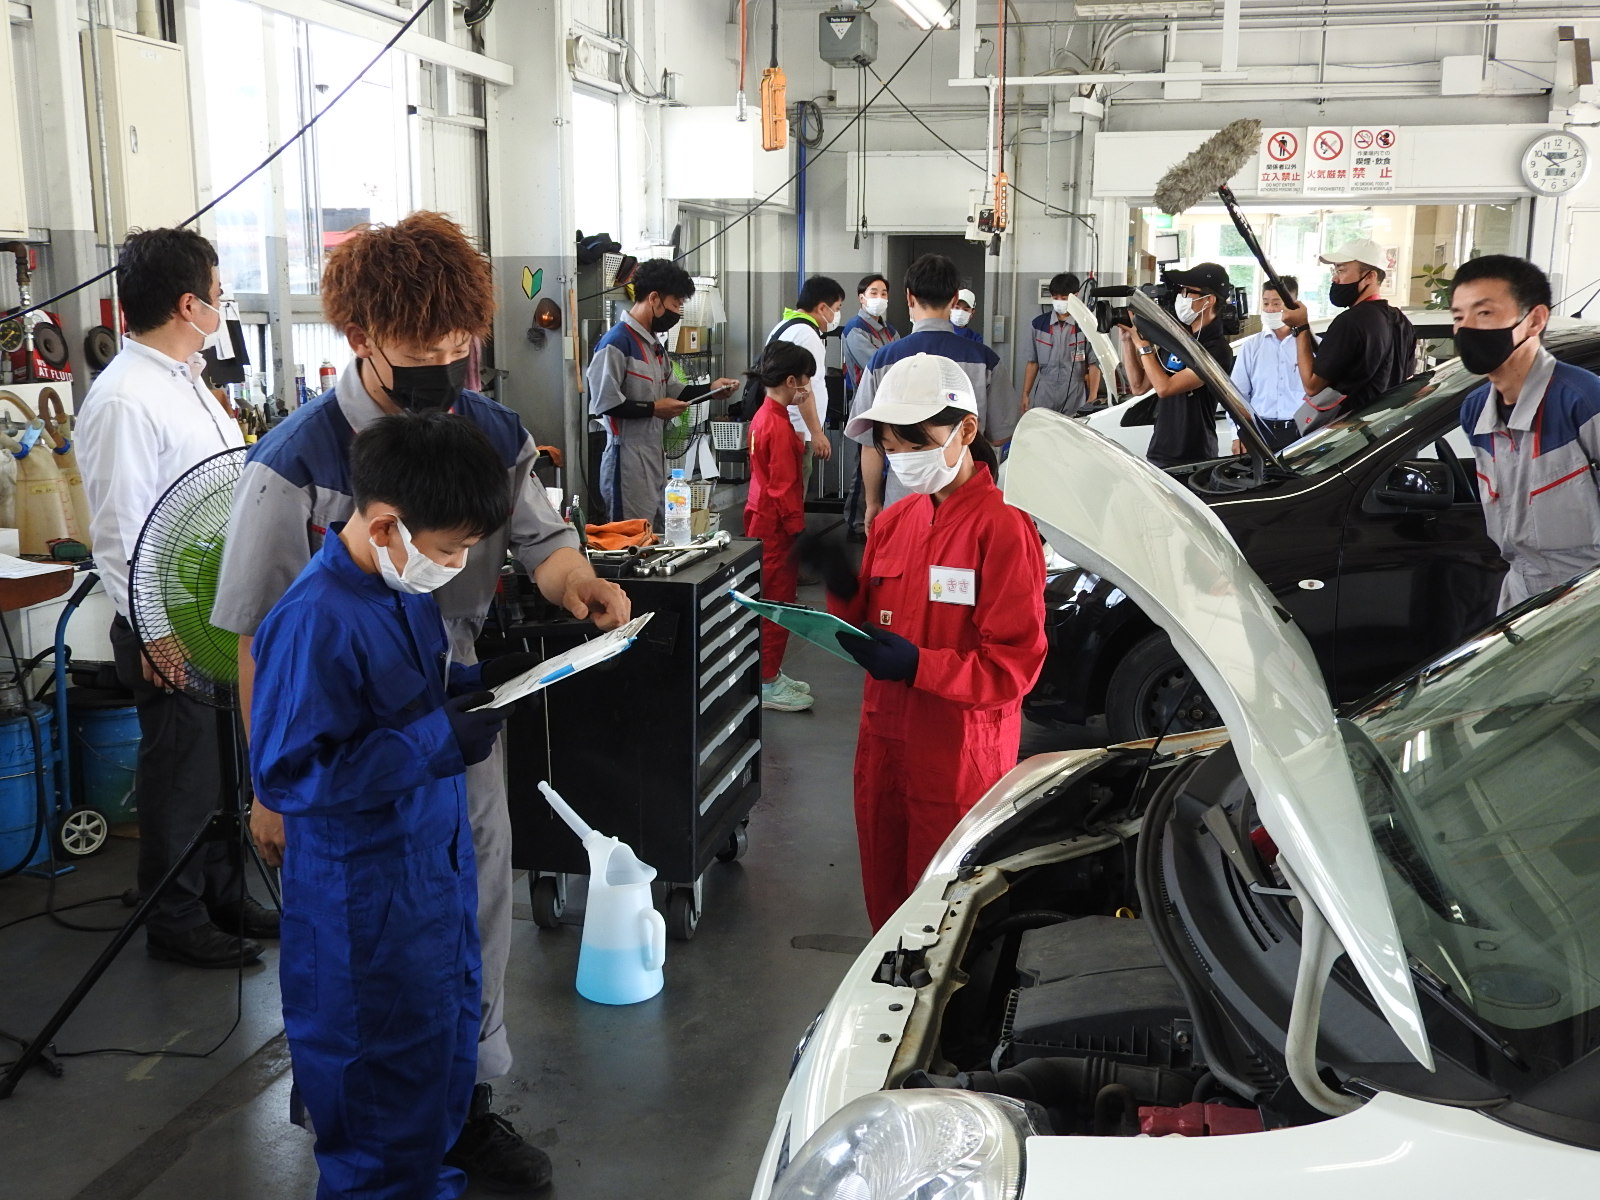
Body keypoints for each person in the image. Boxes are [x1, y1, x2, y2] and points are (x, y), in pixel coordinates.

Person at [212, 211, 628, 1194]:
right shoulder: (294, 464)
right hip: (346, 744)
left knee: (470, 910)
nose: (446, 370)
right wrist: (270, 792)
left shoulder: (490, 431)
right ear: (360, 338)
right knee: (368, 954)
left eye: (458, 349)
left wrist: (579, 584)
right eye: (421, 352)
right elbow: (258, 637)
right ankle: (369, 1120)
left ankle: (459, 1107)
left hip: (459, 721)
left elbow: (540, 540)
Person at [251, 413, 526, 1200]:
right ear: (384, 527)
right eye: (450, 549)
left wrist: (477, 684)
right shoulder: (314, 620)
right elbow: (291, 775)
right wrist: (437, 740)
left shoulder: (399, 592)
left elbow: (398, 701)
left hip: (430, 888)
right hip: (364, 915)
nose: (456, 564)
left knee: (433, 1098)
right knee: (378, 1121)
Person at [76, 227, 271, 970]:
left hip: (212, 609)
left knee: (223, 768)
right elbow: (119, 531)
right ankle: (175, 916)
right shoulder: (126, 398)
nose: (223, 305)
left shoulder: (185, 380)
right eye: (218, 295)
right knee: (182, 774)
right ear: (190, 305)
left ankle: (223, 895)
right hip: (167, 619)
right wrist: (154, 632)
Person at [808, 354, 1044, 928]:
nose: (903, 459)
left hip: (958, 757)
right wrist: (840, 585)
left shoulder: (1004, 528)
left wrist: (920, 665)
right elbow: (864, 625)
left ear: (966, 430)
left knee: (945, 917)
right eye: (891, 447)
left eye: (917, 444)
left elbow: (1013, 667)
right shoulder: (895, 521)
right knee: (886, 896)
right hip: (884, 747)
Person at [1453, 255, 1600, 613]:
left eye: (1484, 313)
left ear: (1534, 320)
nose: (1466, 329)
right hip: (1521, 591)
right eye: (1458, 317)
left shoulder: (1584, 400)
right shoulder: (1475, 410)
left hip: (1587, 597)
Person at [848, 254, 1019, 533]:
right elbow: (1001, 434)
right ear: (954, 299)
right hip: (967, 503)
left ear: (909, 297)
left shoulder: (883, 360)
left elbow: (870, 444)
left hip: (902, 502)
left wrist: (873, 503)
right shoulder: (985, 360)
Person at [586, 258, 739, 525]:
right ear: (654, 298)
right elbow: (605, 403)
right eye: (676, 304)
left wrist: (711, 390)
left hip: (655, 454)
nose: (678, 312)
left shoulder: (654, 346)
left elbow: (676, 391)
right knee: (631, 534)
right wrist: (654, 409)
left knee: (657, 532)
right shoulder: (616, 343)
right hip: (626, 458)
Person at [744, 341, 818, 713]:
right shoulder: (776, 424)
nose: (807, 388)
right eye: (806, 379)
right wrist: (797, 529)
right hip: (776, 527)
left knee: (769, 599)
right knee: (778, 604)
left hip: (762, 518)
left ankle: (769, 670)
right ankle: (768, 680)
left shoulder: (764, 416)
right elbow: (785, 486)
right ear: (791, 381)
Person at [1280, 237, 1416, 422]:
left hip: (1351, 431)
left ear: (1370, 277)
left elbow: (1312, 386)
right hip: (1387, 427)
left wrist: (1301, 327)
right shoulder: (1402, 322)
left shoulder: (1350, 322)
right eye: (1334, 270)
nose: (1334, 278)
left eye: (1341, 270)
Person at [1119, 262, 1236, 469]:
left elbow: (1165, 388)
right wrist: (1128, 341)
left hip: (1194, 456)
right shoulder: (1178, 339)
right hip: (1160, 451)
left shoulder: (1216, 349)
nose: (1181, 297)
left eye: (1187, 292)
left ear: (1209, 300)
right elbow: (1139, 387)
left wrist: (1143, 345)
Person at [767, 275, 842, 497]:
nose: (837, 315)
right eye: (837, 308)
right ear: (822, 308)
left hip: (783, 425)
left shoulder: (785, 326)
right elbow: (804, 389)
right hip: (797, 429)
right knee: (793, 493)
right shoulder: (807, 335)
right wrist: (816, 433)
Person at [841, 274, 899, 539]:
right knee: (864, 467)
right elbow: (878, 366)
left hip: (890, 405)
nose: (879, 298)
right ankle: (855, 523)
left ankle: (880, 518)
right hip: (867, 403)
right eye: (874, 292)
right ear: (861, 298)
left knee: (886, 464)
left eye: (884, 293)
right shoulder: (855, 329)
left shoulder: (891, 331)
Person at [1229, 276, 1305, 452]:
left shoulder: (1310, 346)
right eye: (1266, 303)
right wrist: (1237, 434)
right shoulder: (1251, 346)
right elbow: (1238, 396)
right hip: (1260, 431)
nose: (1270, 309)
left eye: (1276, 303)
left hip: (1301, 431)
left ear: (1294, 304)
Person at [1021, 272, 1101, 417]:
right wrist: (1025, 394)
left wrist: (1092, 397)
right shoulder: (1038, 325)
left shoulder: (1086, 326)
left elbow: (1094, 365)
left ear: (1075, 296)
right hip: (1046, 391)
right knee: (1044, 427)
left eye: (1064, 298)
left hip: (1075, 392)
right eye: (1055, 298)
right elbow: (1032, 363)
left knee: (1074, 428)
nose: (1059, 301)